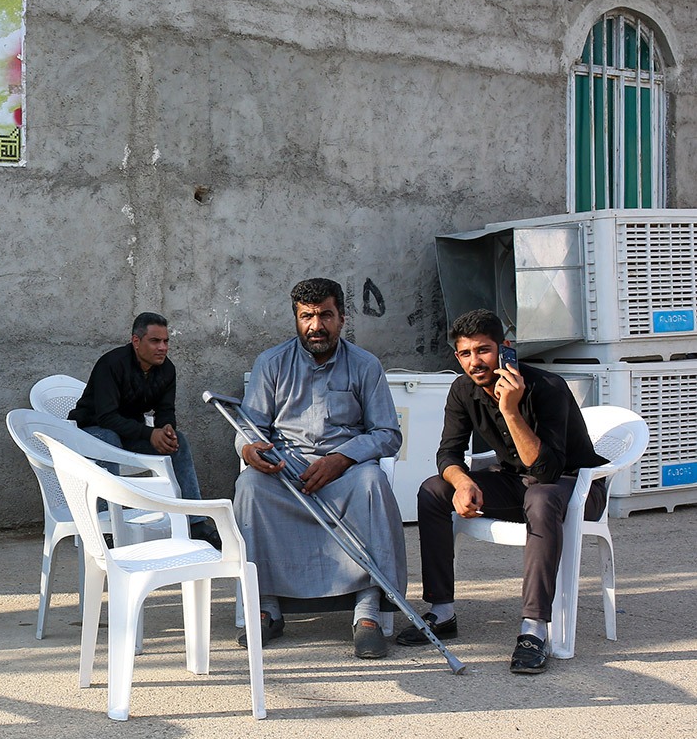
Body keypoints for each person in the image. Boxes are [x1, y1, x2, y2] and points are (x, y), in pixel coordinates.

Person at [398, 309, 606, 675]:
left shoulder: (549, 387)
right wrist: (463, 483)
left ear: (505, 348)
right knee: (434, 490)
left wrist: (510, 410)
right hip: (517, 483)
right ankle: (442, 611)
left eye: (483, 350)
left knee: (540, 497)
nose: (474, 362)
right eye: (465, 353)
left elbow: (546, 471)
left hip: (576, 489)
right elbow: (448, 453)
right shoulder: (462, 389)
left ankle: (534, 629)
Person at [233, 278, 405, 659]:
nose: (316, 326)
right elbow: (248, 429)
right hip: (287, 474)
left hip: (345, 475)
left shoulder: (365, 366)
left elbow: (387, 434)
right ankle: (266, 607)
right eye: (307, 317)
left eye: (325, 315)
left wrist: (342, 459)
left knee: (373, 481)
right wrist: (249, 450)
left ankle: (367, 611)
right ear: (296, 319)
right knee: (249, 487)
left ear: (342, 318)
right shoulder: (271, 363)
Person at [68, 312, 218, 546]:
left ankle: (195, 524)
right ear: (136, 341)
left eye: (166, 341)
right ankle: (105, 526)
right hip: (91, 432)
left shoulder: (167, 370)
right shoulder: (111, 364)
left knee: (178, 442)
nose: (163, 347)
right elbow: (106, 417)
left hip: (129, 434)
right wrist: (149, 434)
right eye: (155, 341)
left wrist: (166, 430)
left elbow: (165, 410)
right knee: (108, 439)